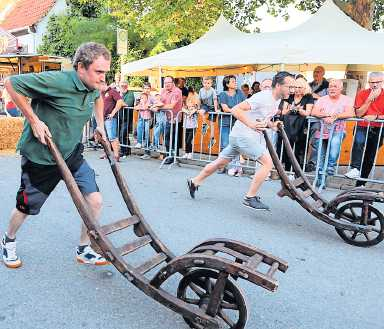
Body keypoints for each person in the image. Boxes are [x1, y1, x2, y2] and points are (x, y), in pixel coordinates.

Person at [1, 42, 110, 268]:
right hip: (42, 157)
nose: (102, 78)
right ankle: (8, 240)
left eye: (105, 73)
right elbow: (11, 83)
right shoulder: (57, 81)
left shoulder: (92, 85)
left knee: (95, 200)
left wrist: (99, 125)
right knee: (26, 207)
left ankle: (84, 248)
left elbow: (98, 96)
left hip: (70, 153)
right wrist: (34, 121)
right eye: (99, 71)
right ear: (80, 67)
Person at [187, 71, 295, 211]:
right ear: (279, 85)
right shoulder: (263, 97)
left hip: (238, 136)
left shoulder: (277, 100)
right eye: (289, 86)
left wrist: (272, 125)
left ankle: (194, 181)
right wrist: (250, 124)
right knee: (268, 163)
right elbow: (236, 109)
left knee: (220, 162)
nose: (292, 90)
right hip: (243, 136)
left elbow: (262, 117)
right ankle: (250, 197)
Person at [311, 79, 354, 187]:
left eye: (335, 86)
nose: (332, 88)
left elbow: (350, 113)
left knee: (335, 143)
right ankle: (321, 180)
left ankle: (331, 166)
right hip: (321, 131)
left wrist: (335, 117)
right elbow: (314, 112)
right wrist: (325, 116)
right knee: (320, 157)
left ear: (341, 88)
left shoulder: (347, 99)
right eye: (330, 86)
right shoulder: (322, 99)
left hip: (338, 130)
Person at [344, 72, 384, 185]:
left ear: (382, 82)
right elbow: (359, 114)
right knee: (358, 143)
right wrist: (369, 100)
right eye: (372, 82)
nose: (375, 85)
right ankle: (355, 168)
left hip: (379, 128)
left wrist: (376, 117)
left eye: (378, 82)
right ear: (369, 82)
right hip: (362, 125)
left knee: (370, 156)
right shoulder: (362, 93)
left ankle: (361, 183)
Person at [281, 76, 314, 171]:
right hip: (288, 126)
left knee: (299, 149)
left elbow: (307, 113)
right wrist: (290, 109)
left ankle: (297, 171)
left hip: (301, 127)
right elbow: (283, 112)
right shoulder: (289, 96)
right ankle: (288, 170)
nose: (297, 89)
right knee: (288, 147)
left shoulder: (308, 97)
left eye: (300, 87)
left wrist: (299, 110)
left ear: (305, 88)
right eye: (295, 87)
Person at [218, 75, 246, 174]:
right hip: (225, 122)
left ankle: (236, 166)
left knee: (236, 145)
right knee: (224, 144)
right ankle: (221, 166)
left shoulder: (240, 93)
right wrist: (235, 111)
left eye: (235, 81)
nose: (235, 83)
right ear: (227, 84)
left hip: (237, 122)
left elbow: (245, 105)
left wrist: (236, 111)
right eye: (233, 81)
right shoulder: (222, 94)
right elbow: (225, 108)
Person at [160, 76, 183, 165]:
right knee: (167, 137)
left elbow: (171, 106)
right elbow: (159, 101)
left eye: (168, 82)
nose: (166, 84)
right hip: (166, 118)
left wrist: (159, 106)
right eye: (165, 83)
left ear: (173, 83)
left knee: (172, 138)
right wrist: (157, 105)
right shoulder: (163, 91)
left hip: (174, 118)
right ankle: (169, 155)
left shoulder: (177, 91)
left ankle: (173, 156)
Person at [101, 82, 124, 161]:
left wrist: (113, 112)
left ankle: (116, 155)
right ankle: (108, 153)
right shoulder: (101, 93)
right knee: (105, 137)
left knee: (112, 137)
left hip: (109, 118)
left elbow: (120, 101)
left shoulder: (112, 91)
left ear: (105, 84)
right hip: (102, 118)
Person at [134, 82, 154, 160]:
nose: (146, 90)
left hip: (149, 118)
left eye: (148, 88)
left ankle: (147, 152)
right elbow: (136, 106)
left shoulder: (152, 97)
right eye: (145, 88)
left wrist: (149, 107)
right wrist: (144, 107)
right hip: (141, 117)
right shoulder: (140, 97)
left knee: (147, 134)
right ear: (143, 89)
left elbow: (155, 105)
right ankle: (139, 143)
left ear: (150, 89)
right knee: (139, 130)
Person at [198, 76, 218, 149]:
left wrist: (216, 109)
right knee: (201, 111)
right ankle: (204, 124)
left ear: (211, 84)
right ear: (203, 83)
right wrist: (198, 107)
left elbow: (215, 100)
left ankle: (212, 139)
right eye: (205, 83)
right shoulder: (201, 90)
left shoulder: (212, 90)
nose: (206, 84)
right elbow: (199, 99)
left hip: (212, 106)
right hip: (205, 105)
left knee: (212, 124)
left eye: (208, 83)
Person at [119, 80, 135, 157]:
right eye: (121, 85)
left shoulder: (130, 94)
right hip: (119, 117)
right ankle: (127, 150)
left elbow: (128, 104)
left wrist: (119, 101)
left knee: (123, 134)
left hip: (127, 117)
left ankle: (124, 151)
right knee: (121, 135)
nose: (123, 87)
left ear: (127, 86)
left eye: (124, 85)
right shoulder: (118, 93)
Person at [182, 87, 199, 159]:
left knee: (189, 140)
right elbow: (182, 108)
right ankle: (186, 153)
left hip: (193, 126)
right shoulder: (185, 107)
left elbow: (196, 110)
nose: (189, 101)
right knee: (186, 140)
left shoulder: (194, 108)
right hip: (186, 126)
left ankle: (190, 153)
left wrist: (192, 111)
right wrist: (187, 111)